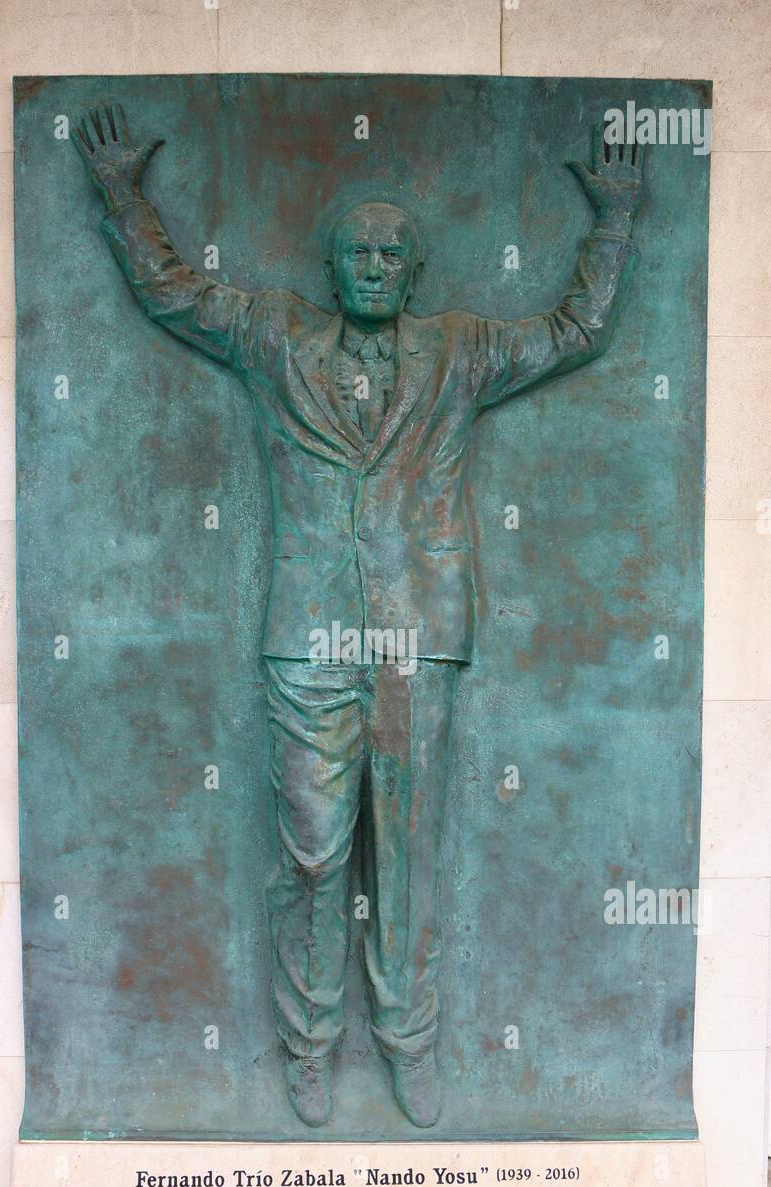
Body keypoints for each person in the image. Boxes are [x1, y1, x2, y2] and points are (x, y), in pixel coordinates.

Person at [72, 104, 643, 1128]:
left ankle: (409, 1044)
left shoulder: (461, 351)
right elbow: (169, 293)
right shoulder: (273, 337)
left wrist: (617, 219)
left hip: (419, 638)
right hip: (307, 641)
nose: (374, 263)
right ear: (334, 267)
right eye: (357, 250)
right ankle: (307, 1044)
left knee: (412, 855)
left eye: (392, 251)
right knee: (313, 849)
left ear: (413, 272)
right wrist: (120, 193)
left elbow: (577, 330)